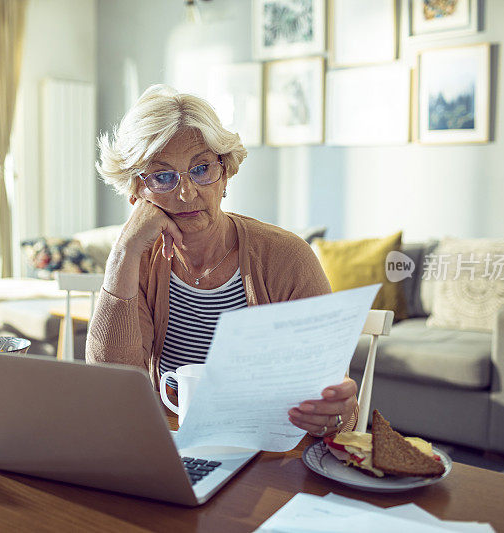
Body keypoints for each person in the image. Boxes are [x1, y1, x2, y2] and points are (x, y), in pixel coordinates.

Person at [86, 85, 358, 437]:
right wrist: (123, 252)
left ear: (225, 174)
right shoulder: (138, 260)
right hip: (173, 445)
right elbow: (113, 394)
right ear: (136, 191)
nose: (186, 193)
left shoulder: (287, 257)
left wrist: (336, 413)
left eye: (201, 169)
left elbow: (335, 409)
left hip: (268, 453)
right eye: (163, 176)